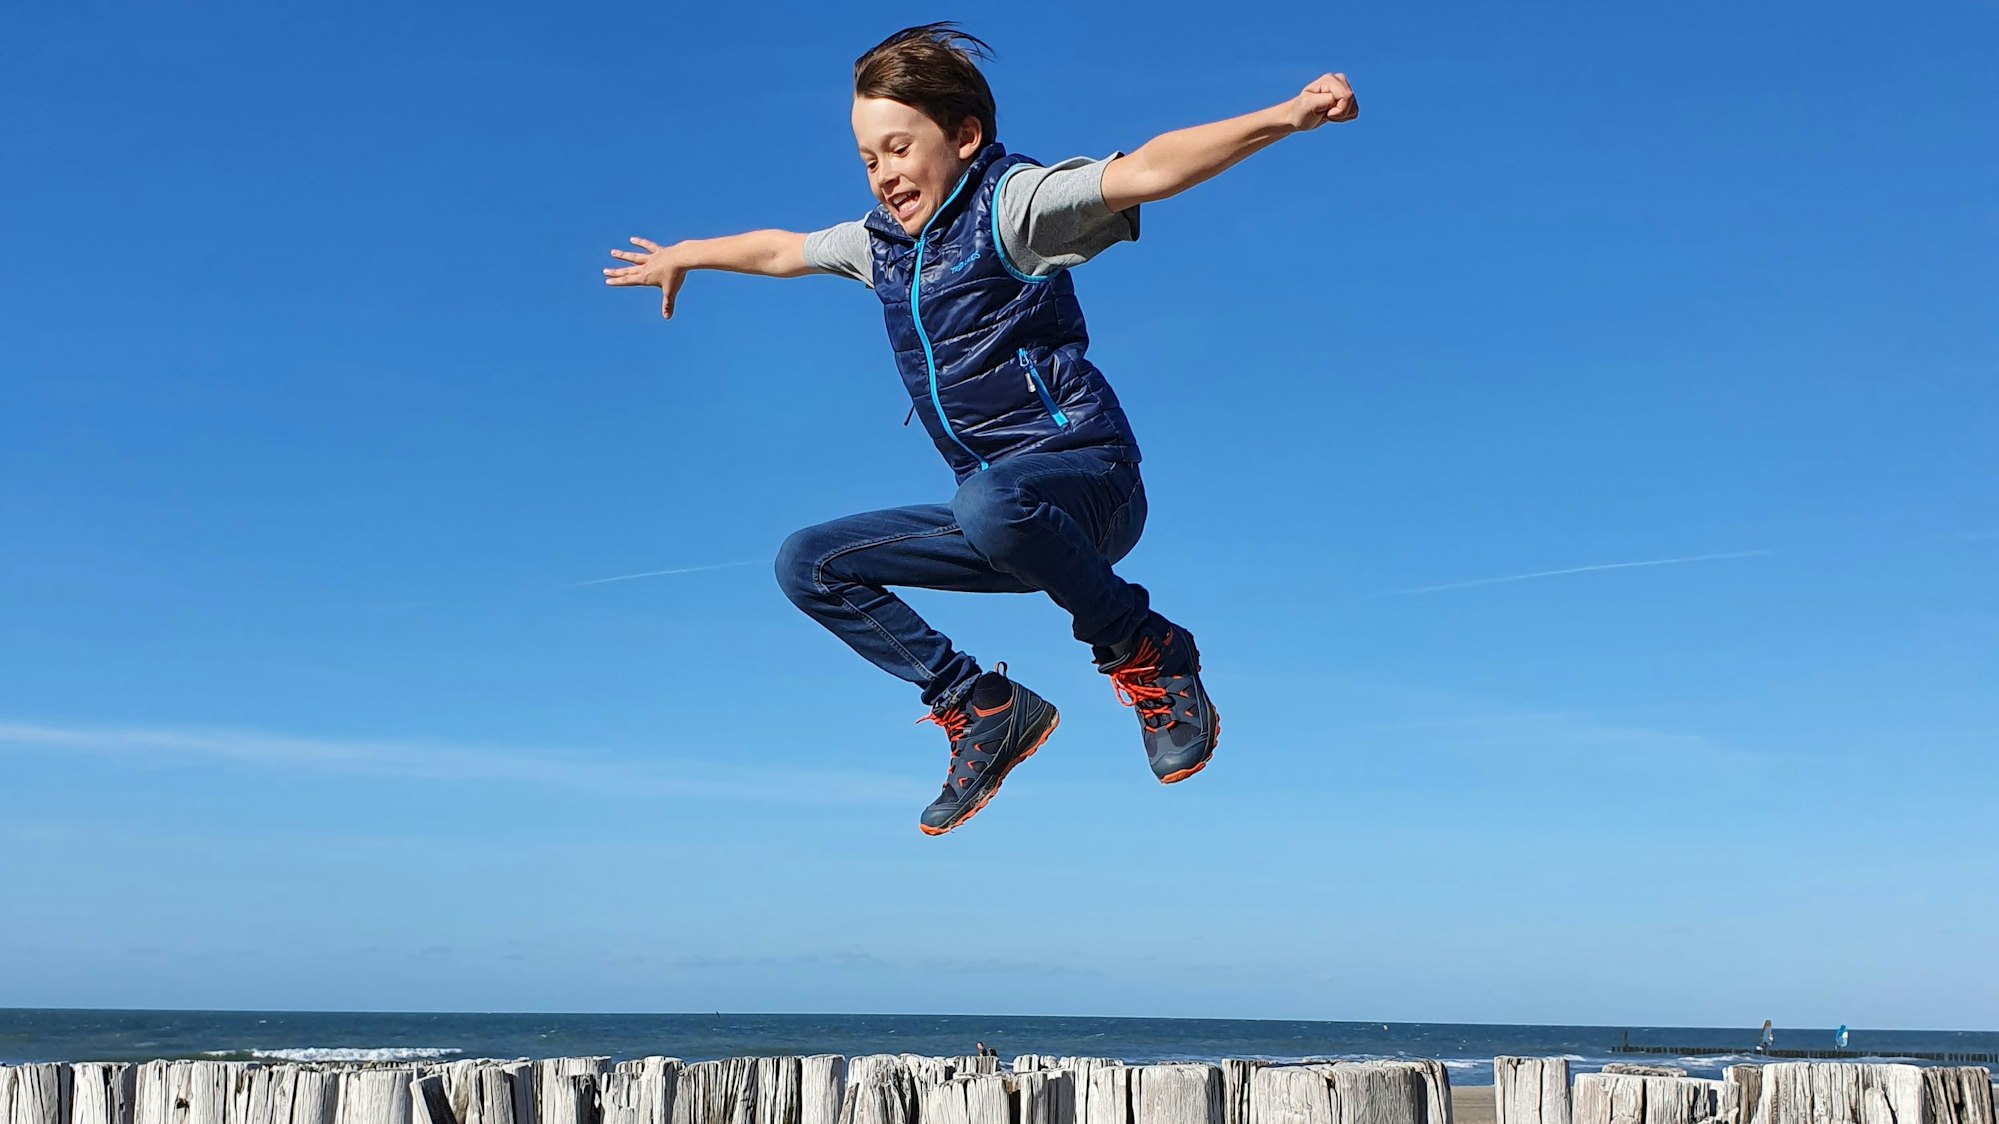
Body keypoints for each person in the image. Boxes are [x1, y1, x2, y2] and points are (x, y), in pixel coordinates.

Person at [604, 24, 1358, 834]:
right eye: (868, 159)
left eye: (898, 147)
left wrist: (1285, 115)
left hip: (1091, 483)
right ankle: (981, 705)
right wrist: (688, 252)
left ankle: (1145, 645)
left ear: (964, 137)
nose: (884, 173)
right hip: (1002, 520)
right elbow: (783, 251)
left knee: (989, 501)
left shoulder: (1013, 206)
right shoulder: (879, 248)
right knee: (808, 562)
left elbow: (1147, 169)